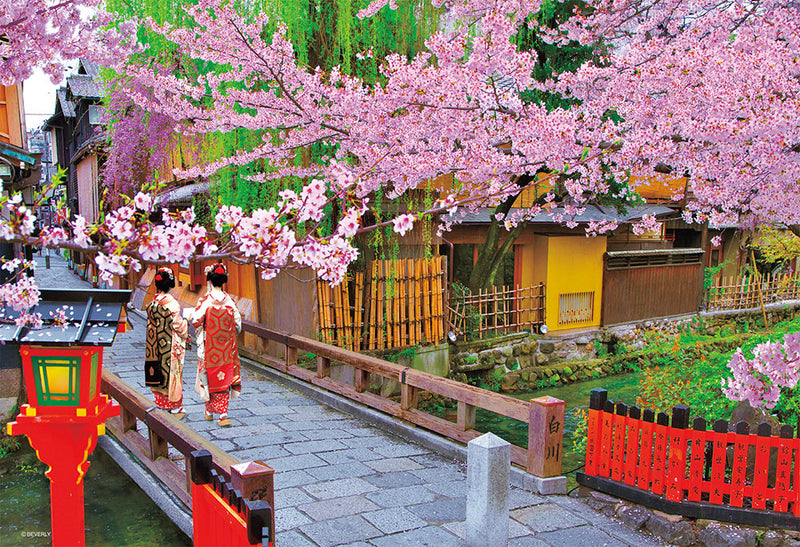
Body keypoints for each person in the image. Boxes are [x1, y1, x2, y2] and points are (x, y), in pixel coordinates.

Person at [192, 262, 242, 427]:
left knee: (209, 375)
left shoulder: (205, 300)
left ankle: (209, 410)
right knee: (225, 375)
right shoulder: (229, 301)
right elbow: (238, 324)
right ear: (224, 280)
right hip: (226, 349)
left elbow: (196, 321)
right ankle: (223, 413)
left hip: (209, 347)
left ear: (210, 280)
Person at [144, 267, 188, 418]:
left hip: (155, 343)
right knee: (173, 371)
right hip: (170, 342)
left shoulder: (153, 302)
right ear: (171, 284)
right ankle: (174, 406)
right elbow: (178, 325)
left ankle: (161, 402)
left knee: (157, 369)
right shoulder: (172, 304)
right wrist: (185, 327)